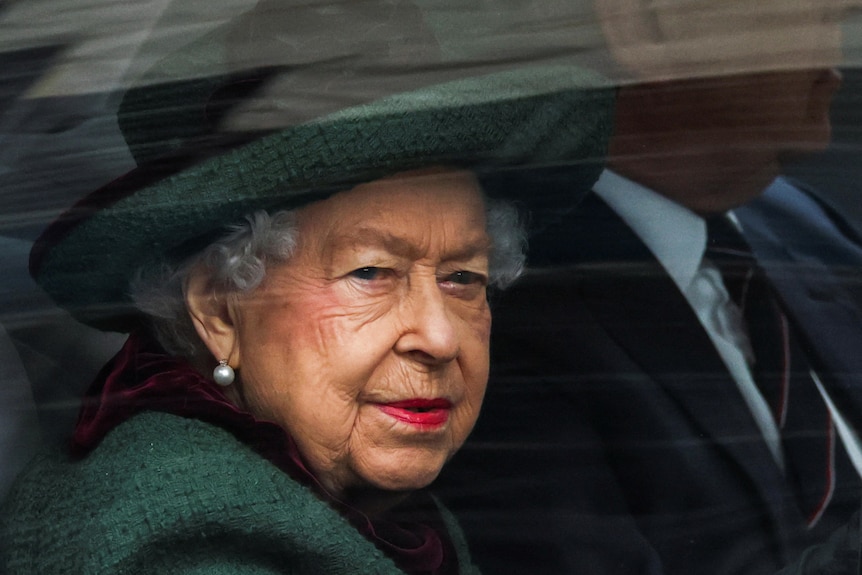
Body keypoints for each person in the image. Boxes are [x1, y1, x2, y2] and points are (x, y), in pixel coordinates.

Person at [0, 1, 615, 572]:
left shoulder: (356, 512)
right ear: (219, 310)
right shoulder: (184, 535)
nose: (438, 336)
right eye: (371, 273)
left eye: (463, 278)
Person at [438, 1, 862, 573]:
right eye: (810, 13)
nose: (838, 54)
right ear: (643, 30)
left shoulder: (797, 221)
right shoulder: (497, 311)